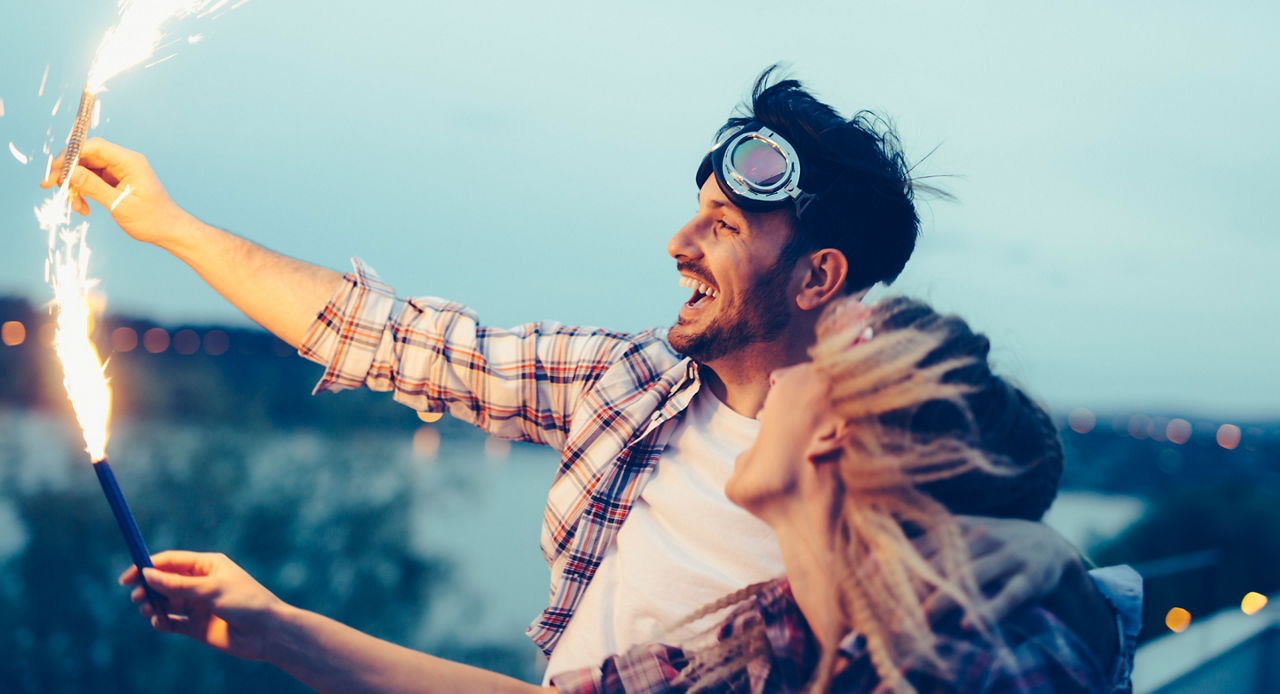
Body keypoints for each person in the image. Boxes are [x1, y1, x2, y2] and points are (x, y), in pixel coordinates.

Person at [51, 68, 1139, 680]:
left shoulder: (888, 523)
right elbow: (384, 335)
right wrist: (173, 228)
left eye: (719, 224)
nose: (676, 242)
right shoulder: (631, 385)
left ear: (817, 274)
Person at [121, 295, 1130, 692]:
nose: (773, 381)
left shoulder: (987, 665)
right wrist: (275, 626)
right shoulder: (769, 635)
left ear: (829, 432)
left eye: (807, 367)